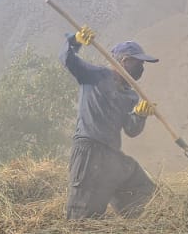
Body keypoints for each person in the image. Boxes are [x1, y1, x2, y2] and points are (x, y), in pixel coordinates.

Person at [62, 28, 159, 219]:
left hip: (111, 156)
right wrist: (74, 41)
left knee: (143, 189)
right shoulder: (94, 75)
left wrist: (140, 115)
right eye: (138, 63)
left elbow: (131, 130)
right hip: (89, 151)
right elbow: (67, 59)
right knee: (82, 217)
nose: (141, 68)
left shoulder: (130, 95)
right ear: (124, 61)